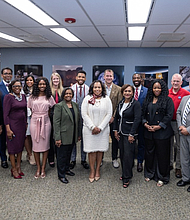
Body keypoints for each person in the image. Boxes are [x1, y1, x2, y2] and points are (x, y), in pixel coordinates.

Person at [142, 79, 174, 187]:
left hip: (162, 133)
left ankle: (162, 177)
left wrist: (159, 126)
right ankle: (150, 173)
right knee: (149, 154)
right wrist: (145, 124)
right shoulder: (148, 99)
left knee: (162, 155)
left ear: (163, 88)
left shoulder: (167, 100)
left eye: (159, 88)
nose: (156, 89)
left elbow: (169, 116)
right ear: (151, 89)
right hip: (148, 131)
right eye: (154, 88)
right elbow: (142, 114)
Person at [81, 80, 112, 182]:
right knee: (91, 151)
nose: (97, 89)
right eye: (95, 87)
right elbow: (84, 114)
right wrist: (92, 127)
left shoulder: (106, 99)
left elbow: (109, 114)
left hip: (102, 130)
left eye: (99, 87)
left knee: (100, 150)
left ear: (102, 88)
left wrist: (100, 128)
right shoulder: (87, 99)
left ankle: (98, 170)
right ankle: (92, 171)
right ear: (92, 88)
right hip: (89, 130)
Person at [114, 84, 141, 188]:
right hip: (121, 133)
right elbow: (117, 117)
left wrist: (132, 134)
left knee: (128, 155)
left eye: (129, 91)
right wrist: (115, 130)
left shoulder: (136, 104)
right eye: (125, 91)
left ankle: (127, 177)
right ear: (122, 92)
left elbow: (137, 119)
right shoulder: (121, 103)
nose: (127, 93)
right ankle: (125, 172)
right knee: (122, 154)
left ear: (133, 92)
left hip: (129, 134)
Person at [28, 77, 56, 179]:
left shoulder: (49, 97)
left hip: (45, 122)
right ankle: (38, 168)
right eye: (40, 84)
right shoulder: (32, 97)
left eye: (44, 84)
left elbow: (50, 110)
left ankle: (43, 168)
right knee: (35, 146)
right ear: (37, 85)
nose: (42, 86)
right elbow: (30, 109)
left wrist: (44, 117)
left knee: (45, 145)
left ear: (47, 85)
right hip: (35, 121)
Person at [53, 88, 80, 184]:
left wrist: (78, 134)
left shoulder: (75, 105)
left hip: (72, 135)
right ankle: (61, 175)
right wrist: (57, 138)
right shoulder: (59, 106)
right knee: (61, 156)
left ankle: (67, 169)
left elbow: (78, 121)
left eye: (70, 93)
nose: (68, 95)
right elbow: (56, 123)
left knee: (69, 154)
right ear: (63, 95)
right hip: (63, 135)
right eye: (66, 93)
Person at [4, 79, 27, 178]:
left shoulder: (23, 96)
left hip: (22, 125)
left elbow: (25, 111)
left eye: (19, 86)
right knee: (12, 148)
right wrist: (8, 129)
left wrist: (26, 123)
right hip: (12, 125)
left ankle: (18, 167)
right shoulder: (8, 97)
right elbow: (5, 115)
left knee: (20, 147)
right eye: (15, 86)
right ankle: (13, 169)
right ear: (11, 87)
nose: (17, 88)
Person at [168, 73, 190, 178]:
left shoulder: (185, 93)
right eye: (174, 81)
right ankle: (169, 163)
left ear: (181, 82)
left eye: (178, 81)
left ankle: (179, 167)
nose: (175, 83)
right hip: (168, 123)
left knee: (180, 146)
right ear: (171, 82)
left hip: (179, 124)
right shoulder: (167, 93)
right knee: (169, 144)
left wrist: (181, 124)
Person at [70, 70, 89, 169]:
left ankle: (83, 159)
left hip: (85, 118)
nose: (81, 78)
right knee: (73, 139)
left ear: (85, 78)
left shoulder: (88, 89)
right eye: (79, 77)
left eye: (83, 77)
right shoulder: (71, 89)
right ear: (76, 78)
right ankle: (73, 159)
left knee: (84, 139)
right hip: (74, 117)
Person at [104, 69, 122, 168]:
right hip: (101, 119)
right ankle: (100, 158)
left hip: (113, 119)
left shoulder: (118, 89)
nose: (109, 78)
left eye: (110, 76)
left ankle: (114, 158)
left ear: (113, 77)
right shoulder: (99, 88)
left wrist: (113, 116)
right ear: (104, 77)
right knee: (101, 139)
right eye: (107, 76)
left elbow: (119, 104)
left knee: (115, 140)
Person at [132, 73, 148, 172]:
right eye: (134, 78)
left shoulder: (146, 91)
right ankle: (131, 161)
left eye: (138, 78)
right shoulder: (129, 90)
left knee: (142, 143)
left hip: (142, 122)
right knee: (131, 143)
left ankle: (140, 162)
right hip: (131, 122)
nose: (136, 79)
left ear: (141, 79)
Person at [49, 72, 63, 168]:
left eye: (57, 79)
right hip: (50, 117)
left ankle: (59, 158)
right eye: (54, 79)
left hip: (61, 118)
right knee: (50, 138)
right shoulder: (48, 91)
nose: (56, 81)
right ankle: (51, 159)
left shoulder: (63, 90)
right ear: (51, 80)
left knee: (59, 137)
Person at [176, 94, 190, 192]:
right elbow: (178, 112)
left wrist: (188, 130)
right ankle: (186, 178)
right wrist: (180, 126)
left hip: (188, 131)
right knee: (184, 157)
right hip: (182, 133)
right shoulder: (185, 98)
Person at [0, 67, 13, 168]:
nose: (8, 75)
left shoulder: (15, 86)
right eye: (5, 73)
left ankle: (12, 156)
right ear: (2, 75)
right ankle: (3, 159)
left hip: (12, 119)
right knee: (2, 140)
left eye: (9, 73)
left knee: (12, 138)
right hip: (2, 118)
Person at [23, 75, 36, 165]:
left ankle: (33, 153)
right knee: (27, 135)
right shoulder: (22, 91)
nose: (29, 82)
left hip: (35, 115)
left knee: (33, 135)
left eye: (31, 80)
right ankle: (29, 154)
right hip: (25, 116)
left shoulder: (36, 91)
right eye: (27, 80)